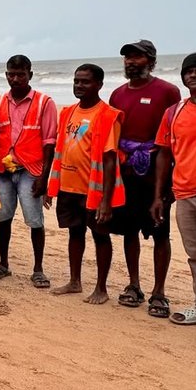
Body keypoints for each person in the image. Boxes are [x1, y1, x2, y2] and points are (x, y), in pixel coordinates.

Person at [109, 40, 180, 316]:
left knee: (161, 232)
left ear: (151, 61)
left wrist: (170, 182)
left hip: (157, 174)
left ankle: (159, 292)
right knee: (129, 231)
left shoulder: (167, 91)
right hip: (126, 174)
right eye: (127, 57)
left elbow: (176, 134)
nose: (131, 61)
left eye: (137, 57)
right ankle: (133, 285)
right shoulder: (117, 94)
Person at [154, 52, 196, 350]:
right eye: (188, 71)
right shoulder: (174, 111)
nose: (193, 75)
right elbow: (164, 153)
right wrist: (159, 195)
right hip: (185, 192)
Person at [48, 64, 125, 304]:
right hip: (68, 187)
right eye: (76, 81)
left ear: (99, 85)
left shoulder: (107, 115)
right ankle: (74, 281)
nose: (79, 86)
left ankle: (101, 288)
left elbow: (111, 160)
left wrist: (105, 200)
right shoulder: (68, 112)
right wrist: (52, 187)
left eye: (85, 82)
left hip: (94, 190)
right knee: (74, 233)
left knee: (100, 236)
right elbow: (61, 150)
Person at [0, 55, 58, 288]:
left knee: (35, 220)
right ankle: (3, 264)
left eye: (20, 74)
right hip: (3, 170)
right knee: (4, 217)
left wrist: (44, 177)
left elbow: (50, 142)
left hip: (31, 169)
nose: (15, 78)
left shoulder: (44, 102)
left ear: (30, 74)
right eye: (11, 74)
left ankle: (38, 270)